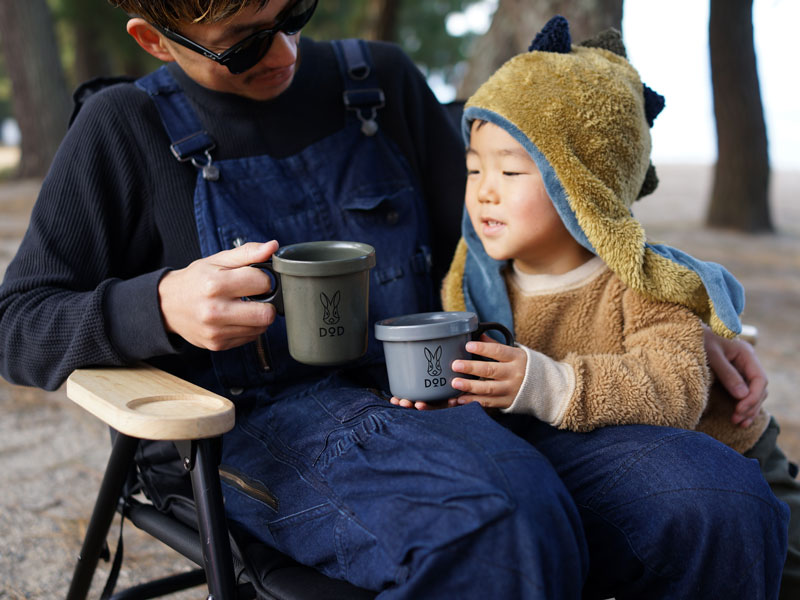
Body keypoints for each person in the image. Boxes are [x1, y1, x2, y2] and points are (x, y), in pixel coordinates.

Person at [0, 1, 784, 597]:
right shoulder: (122, 129)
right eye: (243, 42)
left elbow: (503, 245)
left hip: (454, 392)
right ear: (152, 38)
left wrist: (671, 309)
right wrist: (158, 306)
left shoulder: (378, 84)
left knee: (714, 502)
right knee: (495, 521)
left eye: (294, 13)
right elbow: (19, 324)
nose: (282, 51)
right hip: (262, 429)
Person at [394, 15, 796, 599]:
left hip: (737, 462)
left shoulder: (645, 282)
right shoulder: (474, 280)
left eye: (510, 170)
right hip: (618, 465)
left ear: (581, 185)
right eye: (474, 168)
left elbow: (674, 389)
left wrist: (548, 383)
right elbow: (482, 379)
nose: (484, 190)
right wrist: (444, 394)